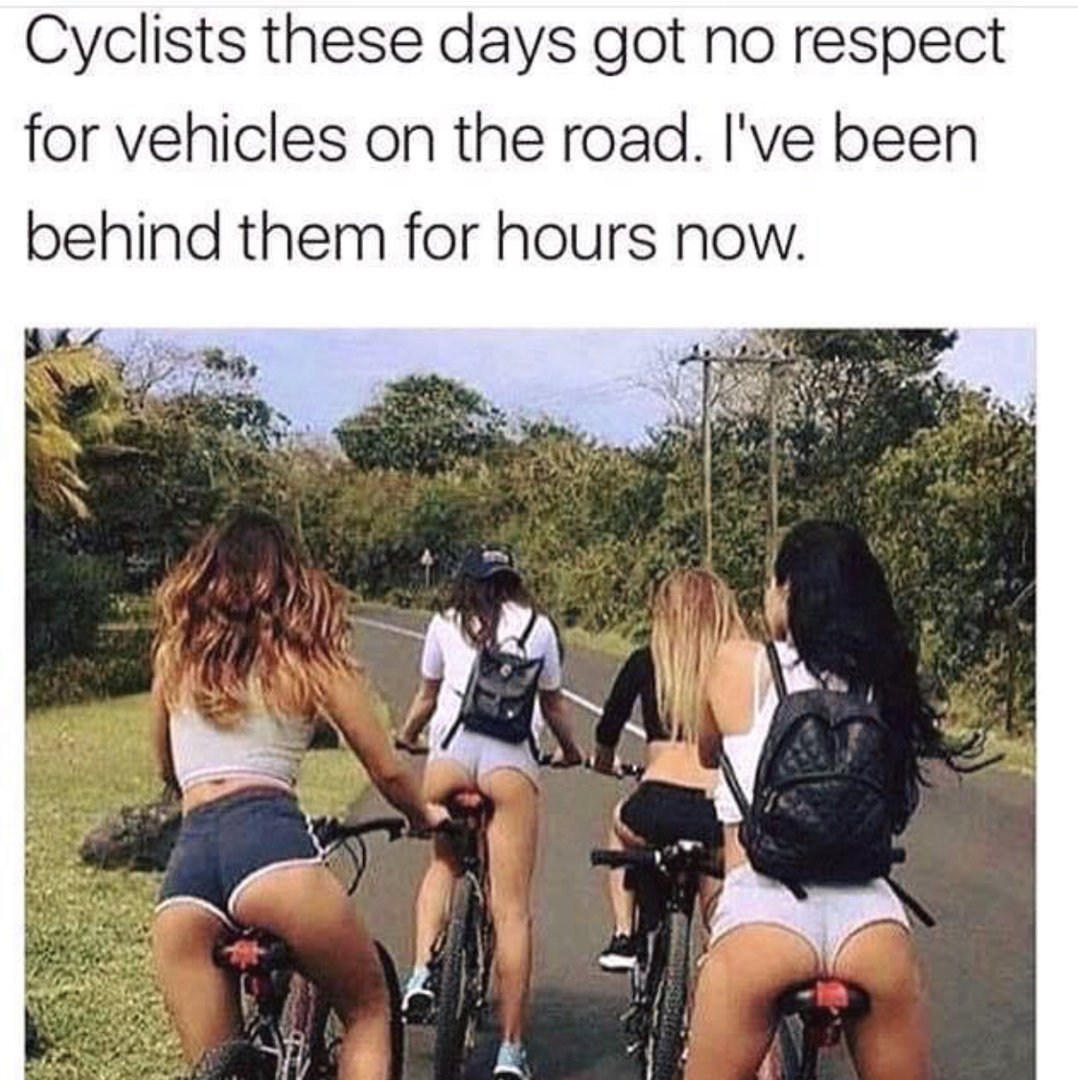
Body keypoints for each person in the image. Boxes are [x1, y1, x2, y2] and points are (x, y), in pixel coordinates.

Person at [150, 509, 445, 1080]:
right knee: (368, 1010)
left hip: (186, 883)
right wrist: (422, 813)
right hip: (272, 854)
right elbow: (386, 769)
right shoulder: (307, 655)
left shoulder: (176, 656)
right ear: (290, 580)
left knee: (217, 1067)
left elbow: (165, 763)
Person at [685, 520, 983, 1080]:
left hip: (761, 916)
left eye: (772, 583)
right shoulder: (882, 684)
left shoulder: (737, 664)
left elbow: (705, 751)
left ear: (788, 592)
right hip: (869, 924)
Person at [396, 546, 583, 1080]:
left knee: (443, 865)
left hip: (449, 760)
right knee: (512, 910)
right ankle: (510, 1051)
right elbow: (554, 706)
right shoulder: (539, 628)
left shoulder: (444, 621)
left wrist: (406, 736)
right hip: (510, 765)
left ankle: (420, 973)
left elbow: (427, 698)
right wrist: (571, 752)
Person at [591, 568, 747, 970]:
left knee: (620, 826)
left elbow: (608, 728)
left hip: (655, 806)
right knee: (718, 923)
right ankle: (716, 964)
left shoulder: (646, 662)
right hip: (716, 810)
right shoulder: (737, 670)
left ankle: (623, 934)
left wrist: (604, 761)